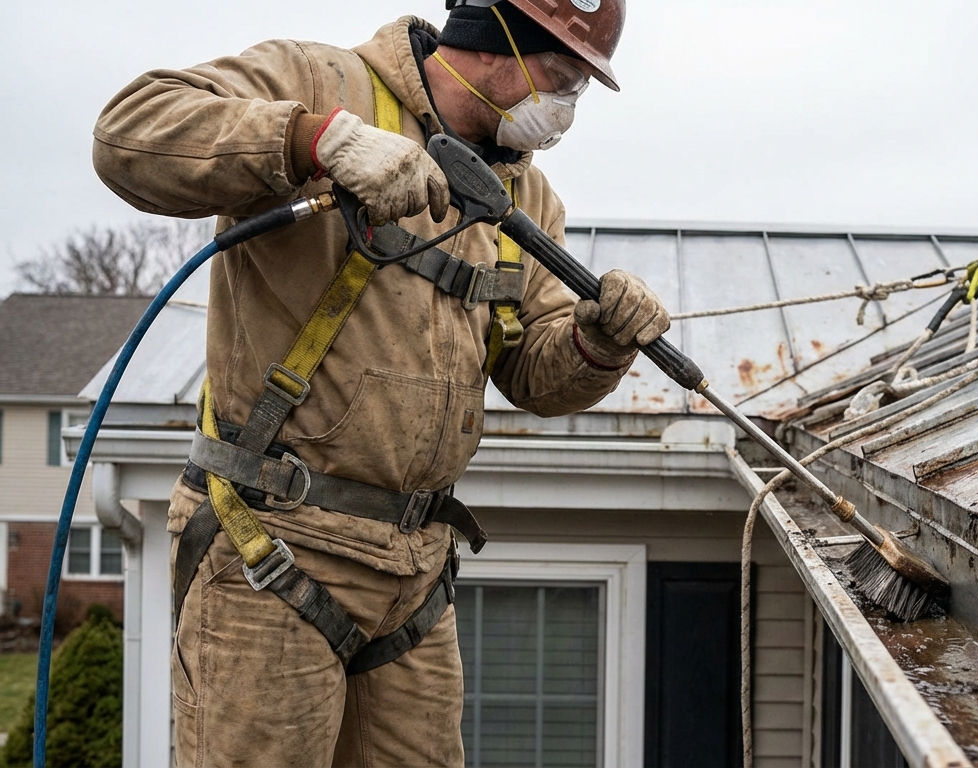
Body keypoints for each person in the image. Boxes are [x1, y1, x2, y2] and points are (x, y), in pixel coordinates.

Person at [92, 1, 663, 765]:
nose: (563, 110)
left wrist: (596, 343)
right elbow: (129, 131)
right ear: (498, 47)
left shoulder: (523, 199)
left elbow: (534, 372)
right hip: (276, 544)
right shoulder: (320, 81)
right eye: (561, 80)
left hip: (413, 573)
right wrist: (312, 141)